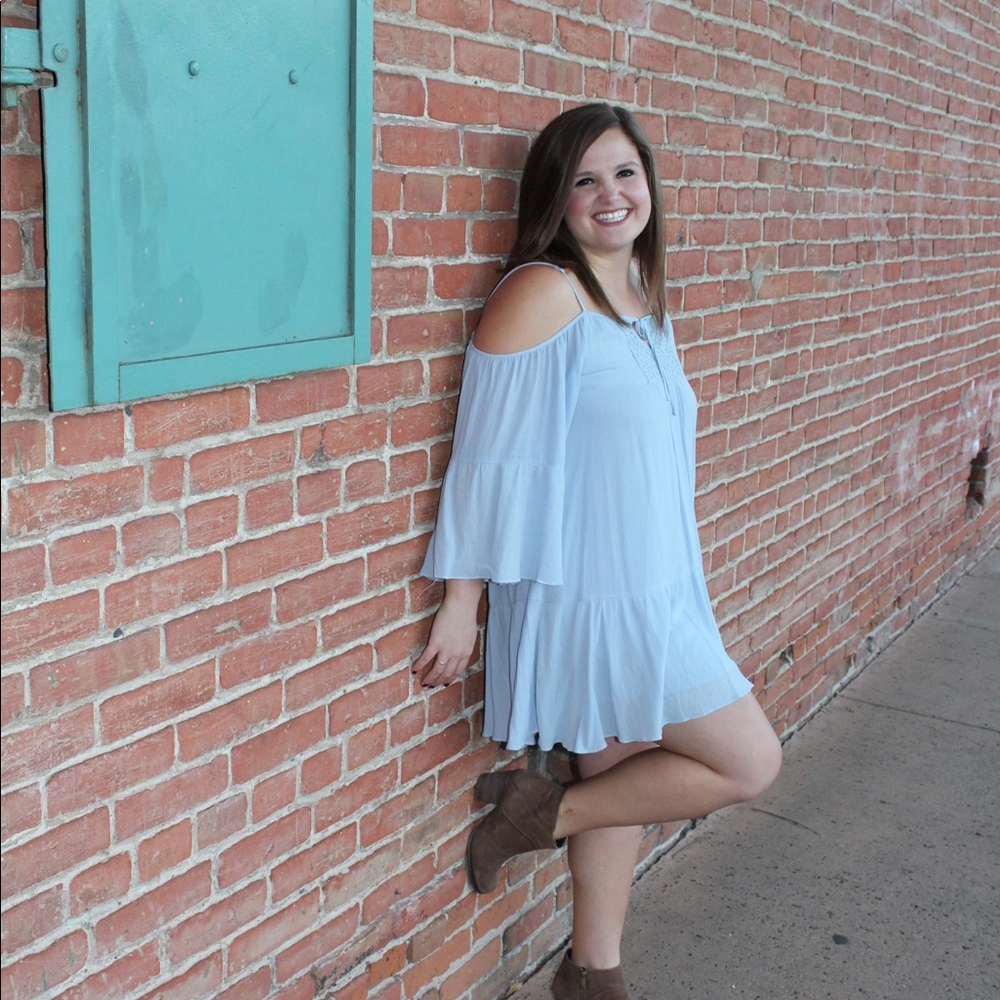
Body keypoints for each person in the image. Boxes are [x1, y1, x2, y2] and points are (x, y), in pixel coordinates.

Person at [413, 103, 782, 1000]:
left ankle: (592, 973)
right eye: (584, 179)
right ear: (556, 199)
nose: (610, 195)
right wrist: (463, 599)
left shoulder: (641, 305)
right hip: (590, 595)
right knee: (749, 761)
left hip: (656, 585)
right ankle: (540, 812)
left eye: (624, 173)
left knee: (624, 775)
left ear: (649, 183)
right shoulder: (544, 293)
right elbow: (486, 459)